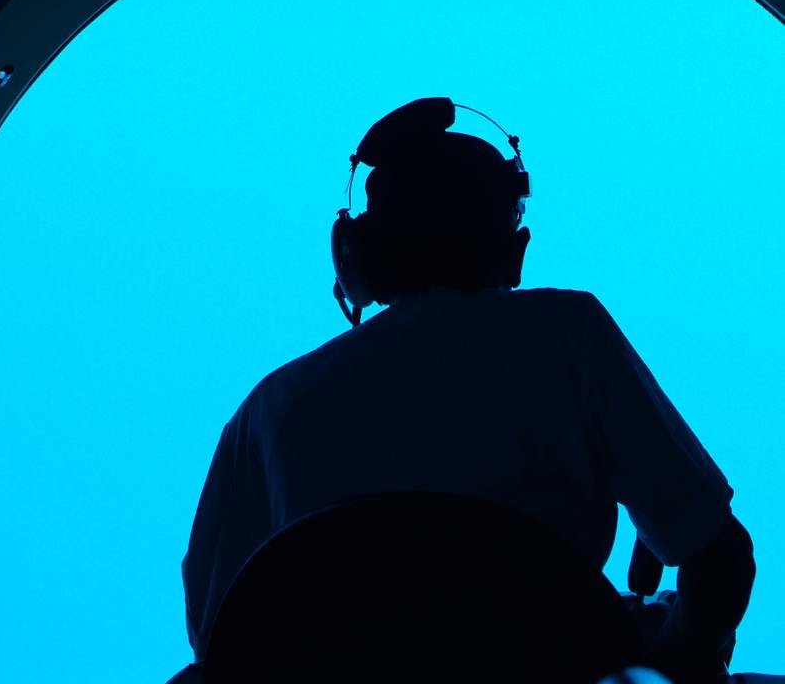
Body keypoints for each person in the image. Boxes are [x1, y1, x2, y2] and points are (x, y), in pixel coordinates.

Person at [181, 100, 755, 682]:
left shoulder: (263, 412)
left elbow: (223, 645)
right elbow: (723, 561)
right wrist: (669, 652)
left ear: (355, 256)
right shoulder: (569, 333)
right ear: (514, 250)